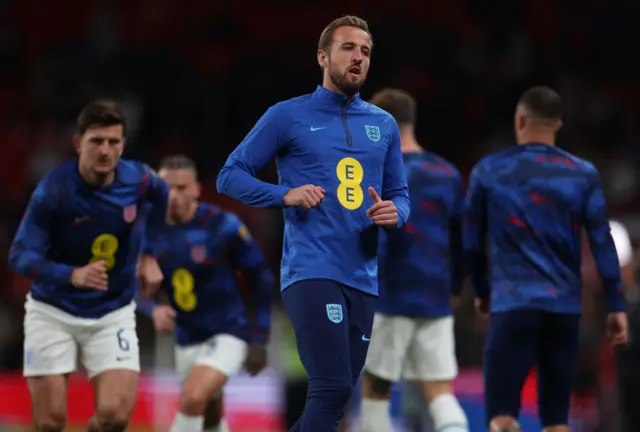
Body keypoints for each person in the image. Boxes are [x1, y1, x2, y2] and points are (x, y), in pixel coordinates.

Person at [216, 15, 410, 432]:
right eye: (348, 48)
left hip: (364, 276)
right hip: (312, 269)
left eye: (365, 52)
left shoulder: (383, 125)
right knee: (332, 386)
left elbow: (401, 195)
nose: (358, 58)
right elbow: (229, 174)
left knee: (338, 396)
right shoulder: (288, 116)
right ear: (323, 57)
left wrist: (396, 213)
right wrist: (283, 194)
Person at [464, 86, 628, 432]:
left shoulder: (489, 171)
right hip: (563, 312)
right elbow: (602, 241)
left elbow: (472, 243)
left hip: (512, 304)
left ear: (520, 120)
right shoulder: (583, 174)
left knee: (502, 417)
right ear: (558, 124)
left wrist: (481, 291)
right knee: (557, 420)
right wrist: (617, 306)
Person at [8, 100, 167, 432]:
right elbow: (20, 255)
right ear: (79, 143)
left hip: (112, 310)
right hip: (53, 310)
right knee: (49, 423)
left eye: (113, 142)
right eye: (97, 141)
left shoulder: (138, 178)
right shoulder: (54, 190)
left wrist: (150, 254)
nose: (106, 151)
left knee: (115, 417)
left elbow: (161, 192)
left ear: (123, 145)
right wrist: (72, 275)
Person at [135, 155, 273, 432]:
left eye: (181, 187)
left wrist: (260, 337)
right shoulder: (147, 231)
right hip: (185, 339)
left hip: (228, 333)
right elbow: (131, 284)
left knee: (192, 398)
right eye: (166, 188)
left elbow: (261, 277)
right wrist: (153, 308)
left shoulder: (222, 226)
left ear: (197, 188)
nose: (173, 195)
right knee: (209, 417)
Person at [360, 88, 468, 432]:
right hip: (436, 294)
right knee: (439, 390)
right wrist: (455, 287)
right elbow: (462, 241)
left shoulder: (374, 173)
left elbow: (370, 238)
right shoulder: (448, 173)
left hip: (388, 294)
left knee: (376, 387)